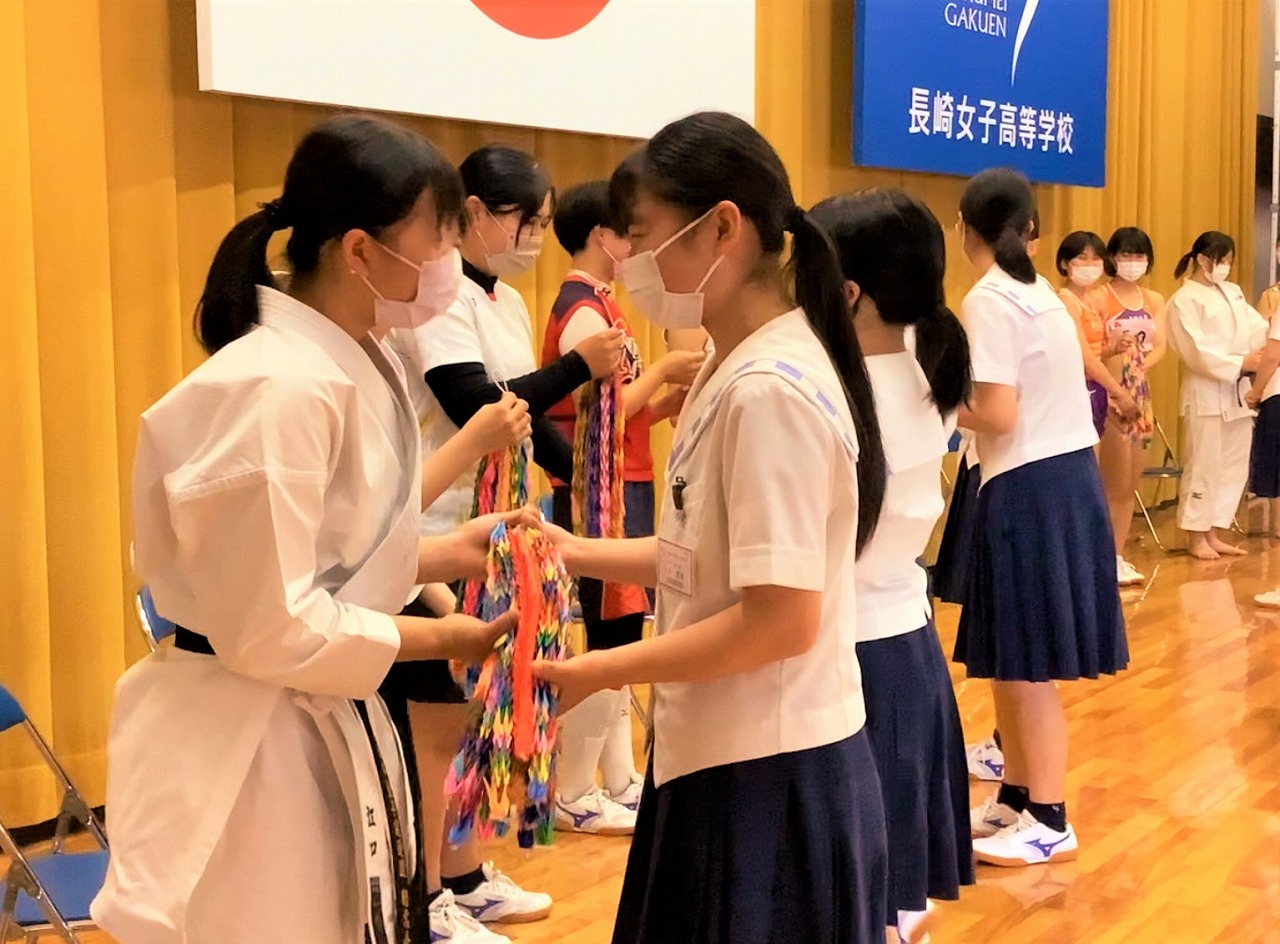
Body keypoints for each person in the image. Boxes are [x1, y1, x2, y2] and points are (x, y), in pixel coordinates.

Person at [91, 114, 532, 944]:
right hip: (246, 734)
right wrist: (438, 640)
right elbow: (271, 622)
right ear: (359, 251)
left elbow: (329, 557)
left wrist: (445, 549)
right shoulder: (274, 388)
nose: (447, 270)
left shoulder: (361, 355)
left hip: (314, 709)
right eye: (434, 245)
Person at [534, 111, 889, 943]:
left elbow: (780, 619)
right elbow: (704, 558)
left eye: (645, 236)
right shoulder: (733, 366)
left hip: (768, 776)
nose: (633, 264)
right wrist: (572, 547)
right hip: (721, 754)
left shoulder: (770, 387)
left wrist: (598, 668)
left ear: (722, 226)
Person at [379, 144, 621, 939]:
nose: (533, 236)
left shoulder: (508, 302)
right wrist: (579, 369)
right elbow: (472, 402)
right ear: (474, 212)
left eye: (544, 224)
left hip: (496, 526)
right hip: (431, 530)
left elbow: (520, 424)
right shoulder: (439, 297)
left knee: (480, 713)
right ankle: (426, 895)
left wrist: (577, 494)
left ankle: (466, 872)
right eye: (526, 219)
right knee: (437, 724)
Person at [810, 189, 974, 944]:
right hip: (903, 643)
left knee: (851, 886)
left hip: (848, 653)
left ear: (847, 293)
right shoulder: (925, 374)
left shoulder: (833, 397)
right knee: (886, 890)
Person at [955, 168, 1126, 868]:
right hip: (1044, 480)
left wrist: (921, 400)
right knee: (1008, 654)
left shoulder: (991, 299)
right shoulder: (1034, 295)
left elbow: (996, 413)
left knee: (1027, 663)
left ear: (964, 228)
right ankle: (1015, 797)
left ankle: (1050, 813)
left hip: (1033, 484)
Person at [542, 180, 704, 835]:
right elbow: (591, 425)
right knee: (609, 633)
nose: (636, 245)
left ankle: (618, 778)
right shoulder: (582, 310)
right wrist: (664, 375)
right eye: (627, 232)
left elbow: (624, 413)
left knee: (626, 630)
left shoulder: (606, 306)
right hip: (598, 493)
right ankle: (573, 789)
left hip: (628, 480)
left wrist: (664, 399)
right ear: (600, 236)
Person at [1166, 231, 1268, 560]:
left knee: (1232, 464)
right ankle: (1196, 535)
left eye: (1228, 261)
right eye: (1218, 260)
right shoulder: (1184, 300)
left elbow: (1257, 328)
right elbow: (1196, 351)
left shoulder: (1233, 292)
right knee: (1204, 464)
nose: (1223, 267)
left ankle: (1215, 531)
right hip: (1206, 391)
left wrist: (1263, 353)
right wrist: (1240, 362)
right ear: (1201, 259)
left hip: (1237, 392)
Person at [1096, 227, 1167, 585]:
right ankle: (1101, 556)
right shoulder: (1099, 297)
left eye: (1139, 255)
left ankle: (1118, 555)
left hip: (1140, 394)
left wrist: (1138, 366)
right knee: (1112, 480)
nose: (1133, 262)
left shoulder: (1154, 299)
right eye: (1125, 255)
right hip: (1109, 394)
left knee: (1129, 484)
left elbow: (1162, 346)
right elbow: (1094, 348)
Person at [1055, 231, 1139, 444]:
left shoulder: (1090, 302)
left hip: (1094, 389)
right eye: (1082, 258)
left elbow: (1094, 351)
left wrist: (1112, 349)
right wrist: (1119, 394)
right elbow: (1085, 358)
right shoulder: (1067, 301)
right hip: (1076, 391)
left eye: (1096, 259)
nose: (1090, 264)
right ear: (1065, 264)